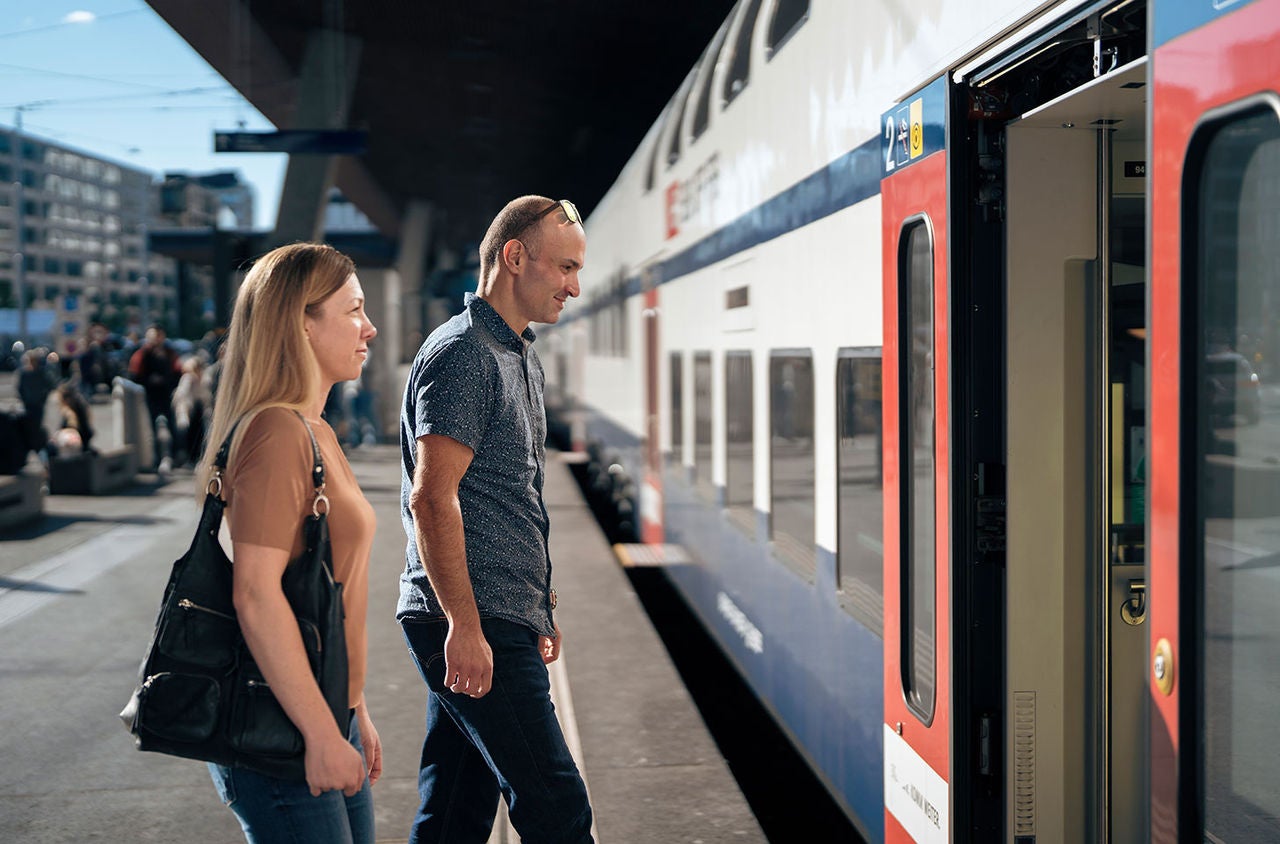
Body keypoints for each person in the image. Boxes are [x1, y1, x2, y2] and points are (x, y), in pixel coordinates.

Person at [398, 195, 592, 843]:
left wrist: (541, 603)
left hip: (499, 612)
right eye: (564, 267)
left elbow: (512, 495)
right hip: (472, 619)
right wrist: (465, 624)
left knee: (455, 809)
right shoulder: (464, 355)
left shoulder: (515, 353)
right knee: (556, 805)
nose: (574, 285)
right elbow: (433, 498)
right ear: (515, 257)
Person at [198, 242, 382, 842]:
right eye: (353, 310)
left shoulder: (312, 429)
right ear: (302, 322)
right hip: (281, 723)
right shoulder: (278, 432)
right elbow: (256, 594)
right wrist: (324, 734)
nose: (369, 328)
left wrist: (354, 709)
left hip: (321, 709)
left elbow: (323, 595)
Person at [128, 324, 181, 468]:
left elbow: (178, 371)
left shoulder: (169, 353)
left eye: (158, 336)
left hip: (166, 395)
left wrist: (167, 382)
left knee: (172, 427)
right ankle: (155, 458)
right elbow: (134, 374)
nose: (156, 339)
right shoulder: (142, 354)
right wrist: (150, 381)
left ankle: (176, 456)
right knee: (151, 429)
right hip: (150, 395)